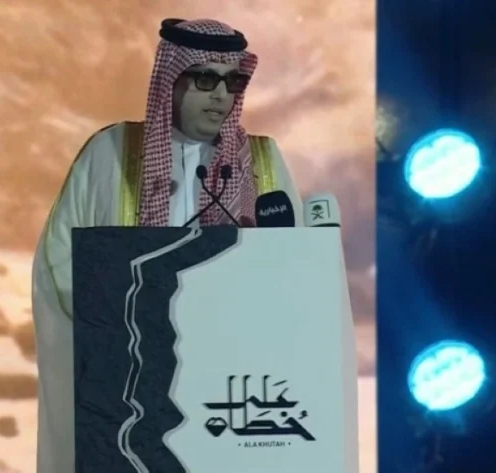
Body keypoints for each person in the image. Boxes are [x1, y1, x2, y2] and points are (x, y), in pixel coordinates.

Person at [31, 18, 303, 473]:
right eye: (205, 79)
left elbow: (294, 268)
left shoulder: (262, 160)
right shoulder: (110, 152)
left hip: (230, 378)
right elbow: (58, 260)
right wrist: (117, 327)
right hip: (129, 375)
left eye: (233, 82)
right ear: (170, 80)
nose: (221, 95)